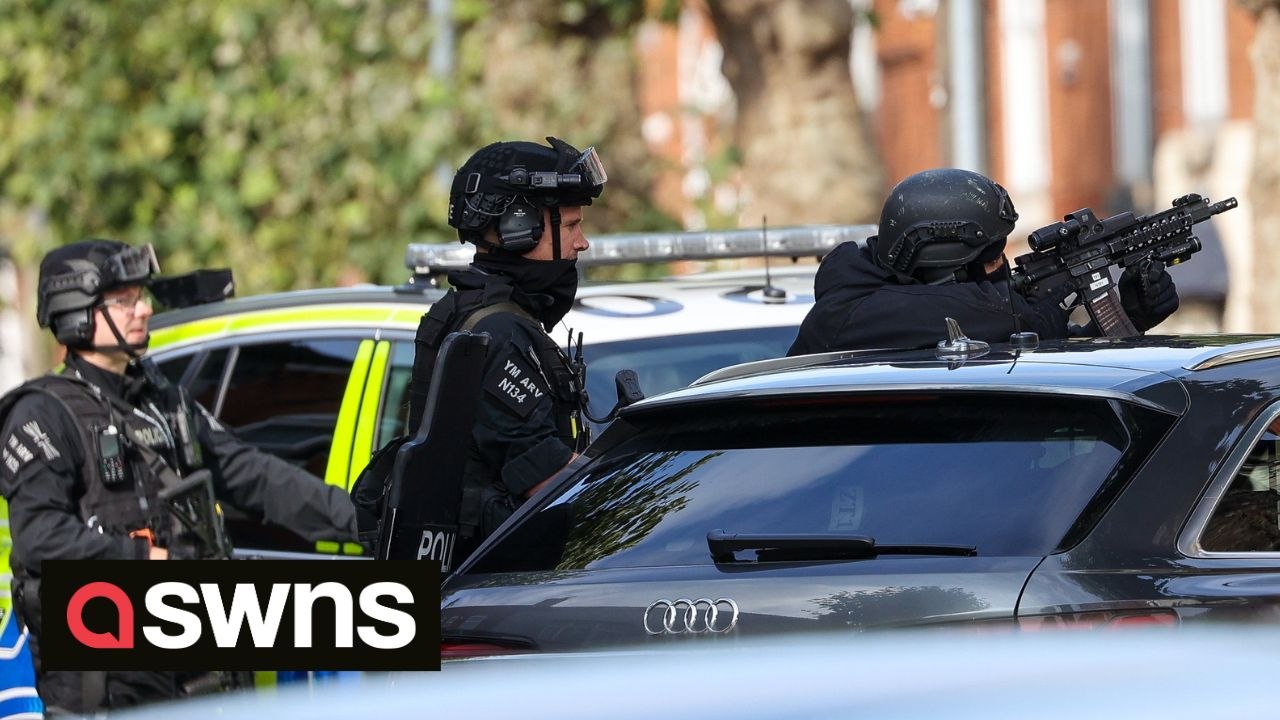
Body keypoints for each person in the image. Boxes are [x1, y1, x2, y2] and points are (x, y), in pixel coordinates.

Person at [0, 239, 359, 714]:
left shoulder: (160, 400)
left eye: (141, 298)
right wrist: (144, 557)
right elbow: (40, 539)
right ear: (77, 312)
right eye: (125, 302)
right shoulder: (41, 414)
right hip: (105, 684)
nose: (144, 310)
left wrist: (364, 519)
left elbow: (252, 474)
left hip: (192, 673)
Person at [405, 136, 605, 561]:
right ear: (520, 227)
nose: (582, 242)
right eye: (570, 225)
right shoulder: (497, 332)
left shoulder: (473, 312)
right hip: (497, 588)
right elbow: (547, 483)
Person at [787, 168, 1180, 355]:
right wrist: (1037, 312)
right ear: (942, 264)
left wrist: (1125, 320)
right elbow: (999, 315)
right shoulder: (846, 318)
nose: (1003, 267)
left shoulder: (939, 327)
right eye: (992, 257)